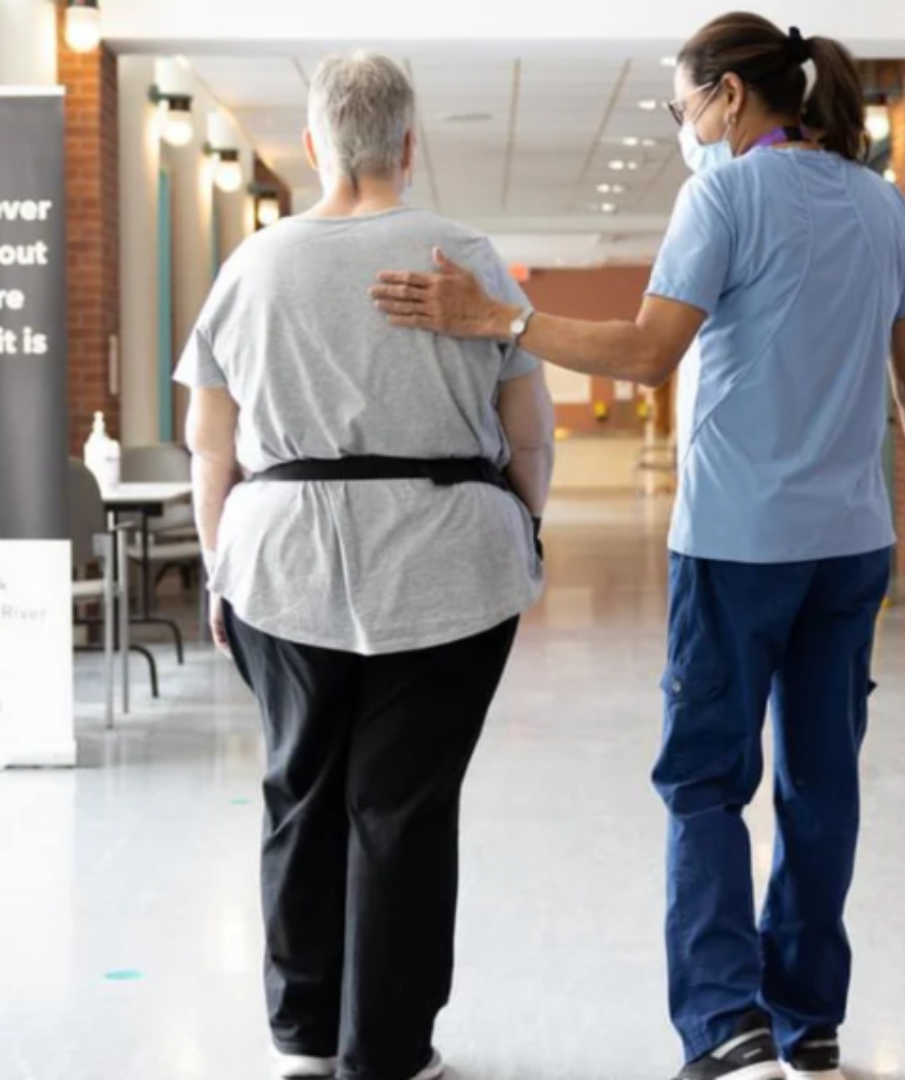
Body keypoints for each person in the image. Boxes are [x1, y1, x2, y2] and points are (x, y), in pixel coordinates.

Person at [370, 13, 905, 1080]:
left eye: (682, 102)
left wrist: (497, 316)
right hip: (851, 548)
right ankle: (809, 1021)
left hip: (739, 546)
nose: (681, 123)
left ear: (730, 97)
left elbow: (647, 353)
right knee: (821, 783)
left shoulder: (724, 195)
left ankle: (725, 1023)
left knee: (703, 782)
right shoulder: (886, 209)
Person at [175, 52, 554, 1080]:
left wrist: (220, 567)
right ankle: (385, 1049)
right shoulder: (462, 253)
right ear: (407, 144)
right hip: (448, 560)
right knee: (405, 805)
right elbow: (527, 432)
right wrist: (523, 524)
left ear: (312, 146)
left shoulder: (250, 267)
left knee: (300, 786)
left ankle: (302, 1032)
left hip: (278, 557)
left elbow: (210, 444)